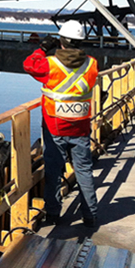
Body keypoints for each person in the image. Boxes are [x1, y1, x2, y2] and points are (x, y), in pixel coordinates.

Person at [23, 20, 100, 227]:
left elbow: (29, 65)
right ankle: (90, 215)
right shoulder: (92, 64)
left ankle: (53, 213)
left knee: (54, 171)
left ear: (62, 40)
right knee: (84, 170)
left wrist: (42, 49)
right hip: (81, 127)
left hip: (54, 126)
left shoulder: (50, 64)